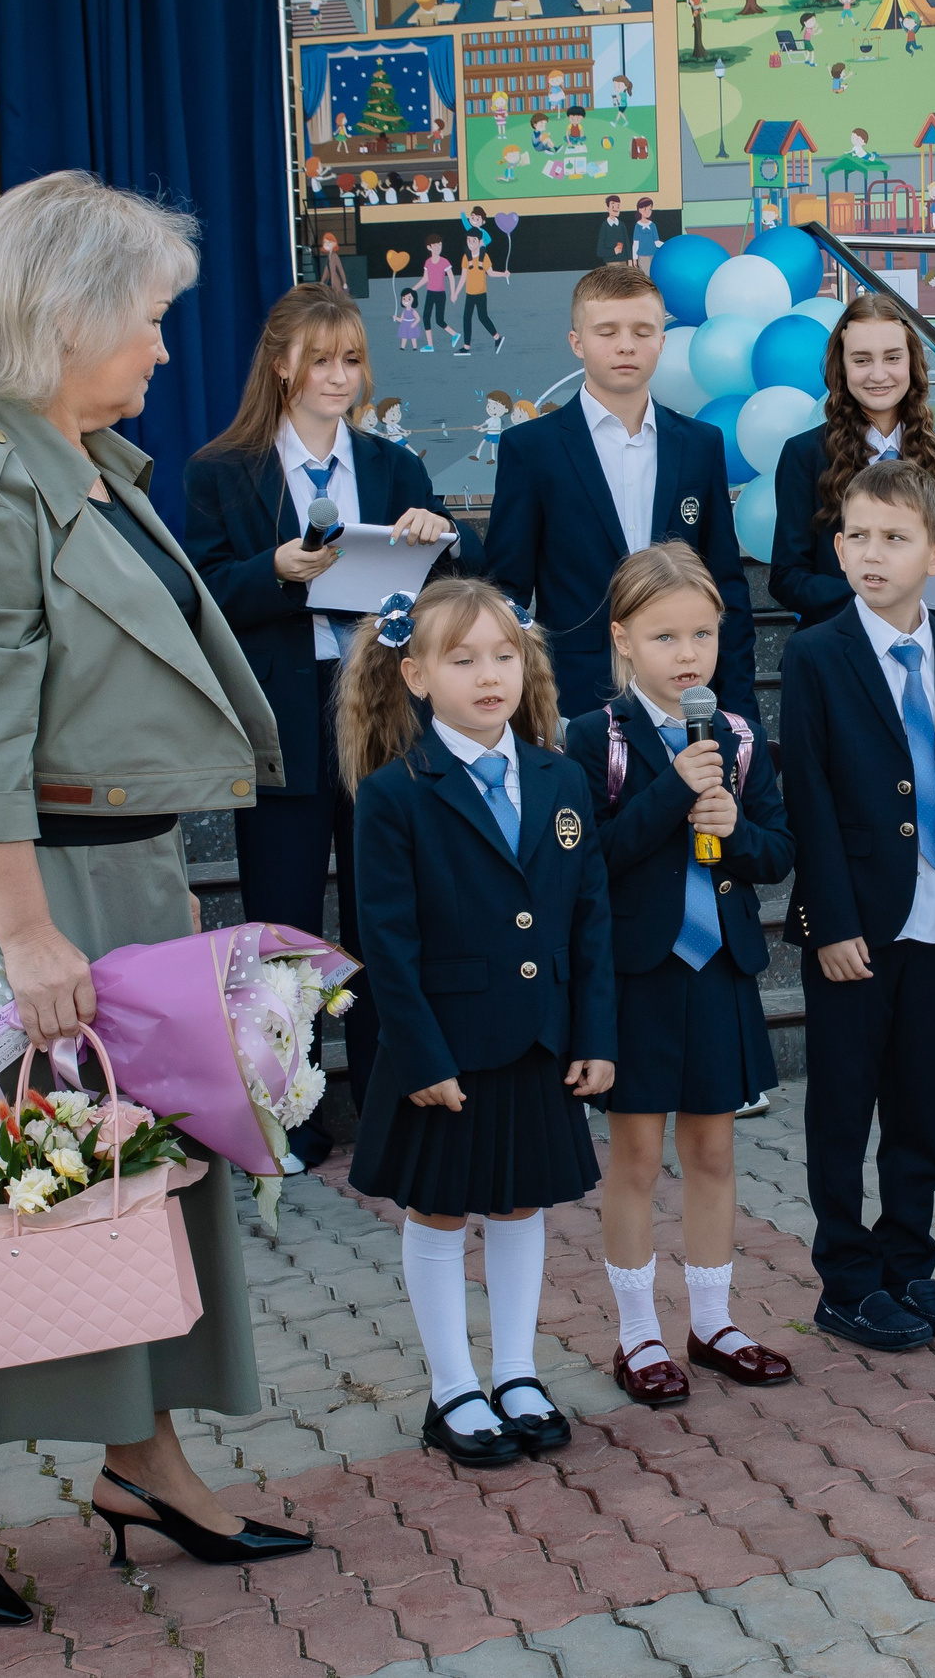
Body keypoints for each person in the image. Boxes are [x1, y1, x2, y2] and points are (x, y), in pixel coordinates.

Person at [0, 171, 304, 1629]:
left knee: (126, 1172)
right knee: (5, 1180)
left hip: (103, 867)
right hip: (14, 883)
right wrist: (28, 930)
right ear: (63, 317)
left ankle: (142, 1457)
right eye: (152, 318)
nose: (169, 349)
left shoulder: (76, 453)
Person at [181, 284, 460, 1171]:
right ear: (281, 364)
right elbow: (201, 595)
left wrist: (438, 538)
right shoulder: (221, 471)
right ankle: (288, 1112)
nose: (340, 377)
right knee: (284, 925)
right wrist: (276, 569)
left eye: (351, 361)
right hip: (280, 719)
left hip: (379, 711)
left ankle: (388, 1104)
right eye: (323, 360)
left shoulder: (392, 465)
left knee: (386, 917)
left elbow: (447, 591)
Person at [342, 575, 614, 1469]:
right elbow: (386, 940)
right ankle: (454, 1382)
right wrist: (416, 1050)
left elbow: (589, 919)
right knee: (442, 1209)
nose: (489, 675)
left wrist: (595, 1035)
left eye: (504, 654)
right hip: (446, 1047)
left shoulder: (562, 775)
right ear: (416, 674)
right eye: (462, 660)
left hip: (538, 1037)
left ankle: (519, 1370)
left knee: (519, 1199)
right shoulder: (394, 793)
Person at [779, 459, 935, 1353]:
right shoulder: (816, 655)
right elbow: (809, 794)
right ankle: (846, 1276)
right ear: (837, 548)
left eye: (896, 538)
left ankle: (908, 1262)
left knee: (917, 1100)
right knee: (844, 1104)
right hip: (856, 926)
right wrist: (830, 922)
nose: (873, 554)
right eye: (858, 537)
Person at [568, 544, 795, 1403]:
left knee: (712, 1147)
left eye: (702, 633)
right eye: (665, 636)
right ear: (624, 640)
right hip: (638, 973)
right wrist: (673, 795)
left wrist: (734, 822)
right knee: (633, 1154)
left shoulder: (737, 734)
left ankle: (712, 1321)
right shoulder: (597, 739)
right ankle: (636, 1335)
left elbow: (777, 852)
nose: (688, 653)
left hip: (719, 968)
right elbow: (590, 859)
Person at [484, 264, 756, 719]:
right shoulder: (531, 448)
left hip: (685, 696)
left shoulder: (699, 444)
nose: (626, 345)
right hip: (575, 698)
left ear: (662, 342)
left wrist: (741, 712)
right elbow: (506, 592)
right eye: (606, 331)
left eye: (643, 330)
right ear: (577, 342)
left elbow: (725, 584)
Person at [768, 292, 935, 630]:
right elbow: (788, 577)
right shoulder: (804, 454)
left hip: (925, 654)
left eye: (892, 358)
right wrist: (879, 604)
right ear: (841, 367)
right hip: (835, 652)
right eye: (861, 360)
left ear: (912, 364)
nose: (878, 374)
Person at [452, 236, 503, 354]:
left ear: (480, 242)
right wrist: (456, 292)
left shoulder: (484, 257)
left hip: (480, 293)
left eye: (473, 241)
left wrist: (503, 274)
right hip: (469, 293)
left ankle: (497, 338)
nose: (470, 243)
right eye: (468, 240)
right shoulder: (466, 257)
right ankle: (466, 347)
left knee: (483, 317)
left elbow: (490, 273)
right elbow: (463, 277)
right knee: (466, 318)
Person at [418, 239, 453, 351]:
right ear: (429, 247)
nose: (438, 247)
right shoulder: (428, 262)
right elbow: (425, 278)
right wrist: (413, 289)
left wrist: (453, 292)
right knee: (426, 317)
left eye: (439, 244)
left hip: (440, 294)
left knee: (439, 320)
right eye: (435, 245)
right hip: (430, 293)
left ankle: (454, 334)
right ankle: (430, 345)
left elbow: (451, 277)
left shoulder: (444, 261)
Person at [597, 195, 630, 265]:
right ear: (608, 208)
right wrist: (613, 251)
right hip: (611, 262)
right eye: (613, 206)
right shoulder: (605, 226)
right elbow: (600, 251)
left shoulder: (621, 225)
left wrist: (629, 260)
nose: (616, 209)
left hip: (623, 261)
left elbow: (627, 243)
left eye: (618, 206)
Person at [630, 197, 661, 271]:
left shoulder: (652, 225)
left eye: (650, 209)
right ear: (639, 210)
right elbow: (636, 244)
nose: (648, 211)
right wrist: (635, 259)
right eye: (645, 209)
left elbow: (657, 242)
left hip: (654, 255)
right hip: (643, 257)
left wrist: (666, 244)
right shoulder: (638, 225)